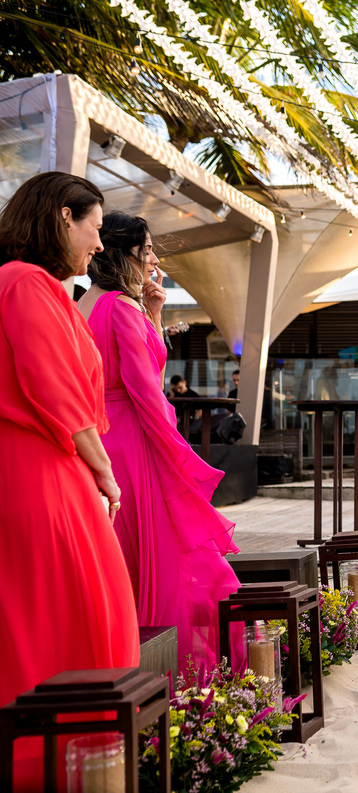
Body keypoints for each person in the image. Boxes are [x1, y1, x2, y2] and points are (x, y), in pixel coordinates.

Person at [0, 172, 139, 789]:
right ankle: (71, 762)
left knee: (37, 621)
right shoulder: (26, 283)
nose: (100, 243)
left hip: (34, 467)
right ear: (63, 216)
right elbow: (54, 387)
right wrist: (104, 471)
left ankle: (49, 760)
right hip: (42, 470)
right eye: (95, 227)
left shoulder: (18, 282)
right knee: (83, 615)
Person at [77, 212, 241, 668]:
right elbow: (147, 389)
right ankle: (178, 669)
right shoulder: (121, 307)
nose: (154, 260)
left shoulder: (83, 303)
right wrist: (178, 454)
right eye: (147, 249)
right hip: (134, 439)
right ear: (124, 252)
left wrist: (153, 314)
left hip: (99, 436)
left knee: (122, 557)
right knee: (169, 556)